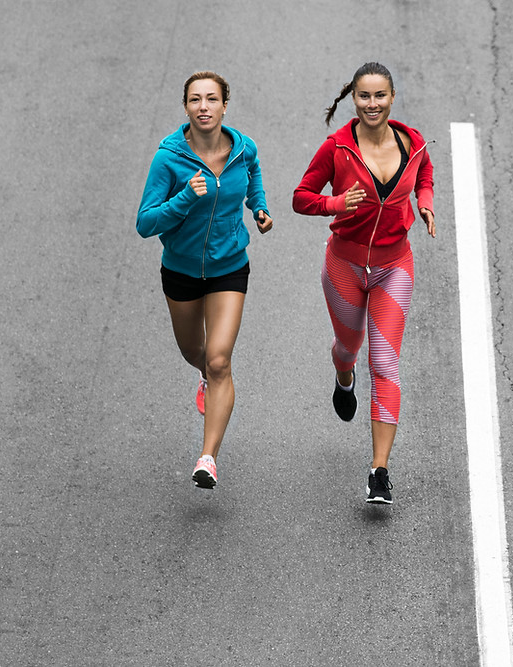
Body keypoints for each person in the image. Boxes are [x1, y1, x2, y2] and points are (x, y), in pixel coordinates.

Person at [293, 62, 435, 504]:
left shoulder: (412, 143)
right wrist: (337, 203)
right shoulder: (336, 148)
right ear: (352, 99)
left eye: (380, 96)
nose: (372, 104)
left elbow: (424, 175)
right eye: (364, 96)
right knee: (348, 346)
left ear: (392, 97)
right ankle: (343, 374)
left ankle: (379, 471)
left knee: (386, 364)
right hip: (345, 266)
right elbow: (301, 198)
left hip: (395, 266)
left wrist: (425, 202)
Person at [137, 71, 273, 490]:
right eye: (195, 99)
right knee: (194, 351)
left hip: (229, 265)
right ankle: (208, 378)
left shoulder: (243, 149)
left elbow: (253, 174)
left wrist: (259, 207)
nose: (203, 107)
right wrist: (184, 198)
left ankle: (207, 457)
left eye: (212, 99)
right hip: (180, 270)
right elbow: (145, 223)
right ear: (186, 107)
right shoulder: (168, 160)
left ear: (224, 105)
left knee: (219, 360)